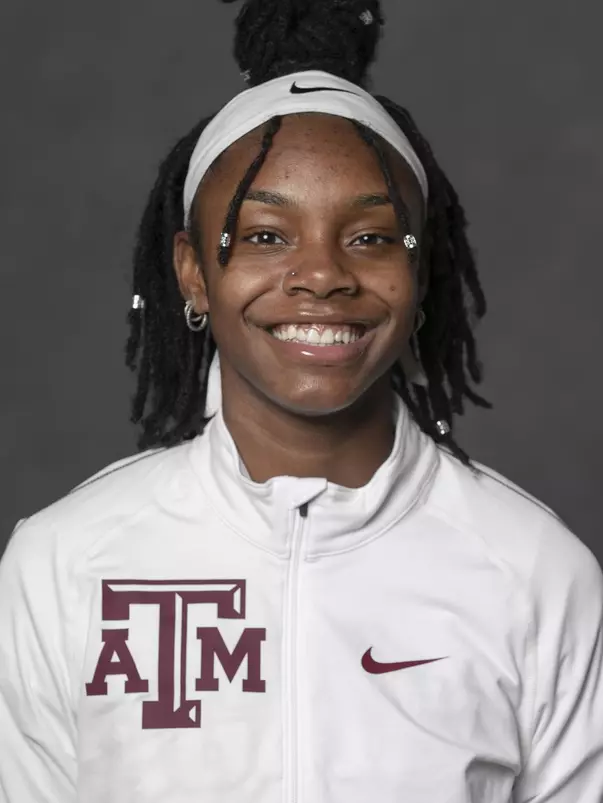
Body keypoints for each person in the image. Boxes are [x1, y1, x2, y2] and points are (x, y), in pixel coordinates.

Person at [1, 0, 602, 800]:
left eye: (369, 236)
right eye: (264, 235)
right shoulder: (63, 561)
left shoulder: (534, 572)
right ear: (191, 273)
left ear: (420, 275)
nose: (322, 274)